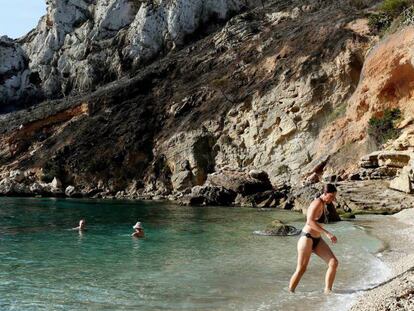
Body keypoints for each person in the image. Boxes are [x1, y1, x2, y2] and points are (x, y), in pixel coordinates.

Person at [289, 183, 339, 294]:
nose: (333, 199)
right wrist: (327, 233)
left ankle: (328, 292)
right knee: (301, 269)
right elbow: (309, 221)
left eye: (334, 196)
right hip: (307, 238)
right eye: (331, 196)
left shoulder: (325, 204)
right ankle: (291, 293)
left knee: (333, 262)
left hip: (317, 239)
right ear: (325, 193)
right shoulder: (317, 203)